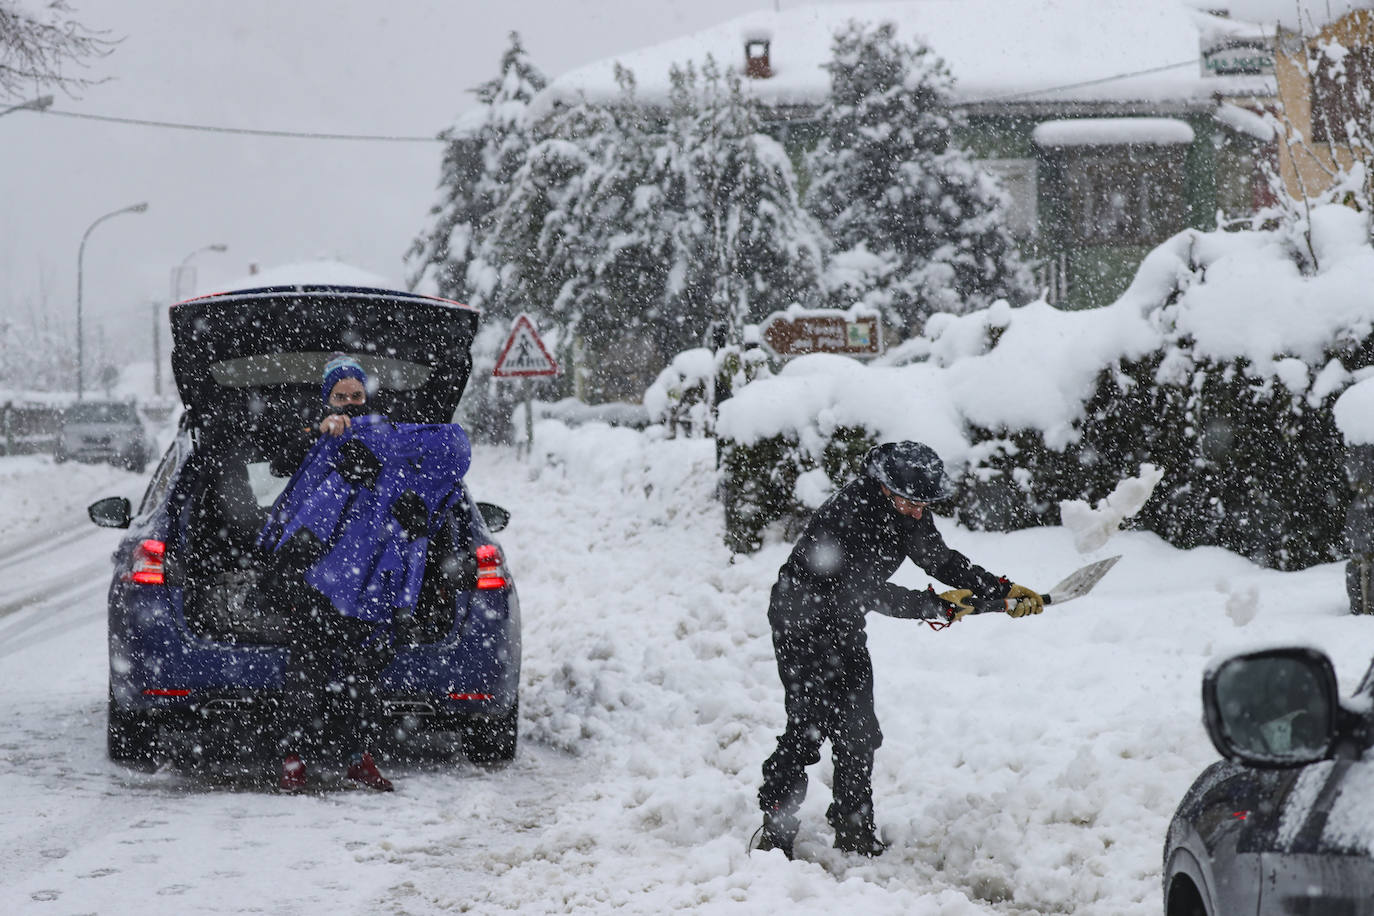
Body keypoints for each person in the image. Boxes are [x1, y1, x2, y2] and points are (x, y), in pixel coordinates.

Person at [754, 441, 1045, 858]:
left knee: (859, 730)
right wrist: (934, 605)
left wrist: (998, 588)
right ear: (884, 488)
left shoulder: (911, 512)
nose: (917, 511)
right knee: (808, 727)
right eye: (910, 502)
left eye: (924, 504)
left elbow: (939, 559)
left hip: (843, 622)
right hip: (800, 619)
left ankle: (854, 831)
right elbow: (865, 590)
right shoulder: (850, 514)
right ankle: (776, 833)